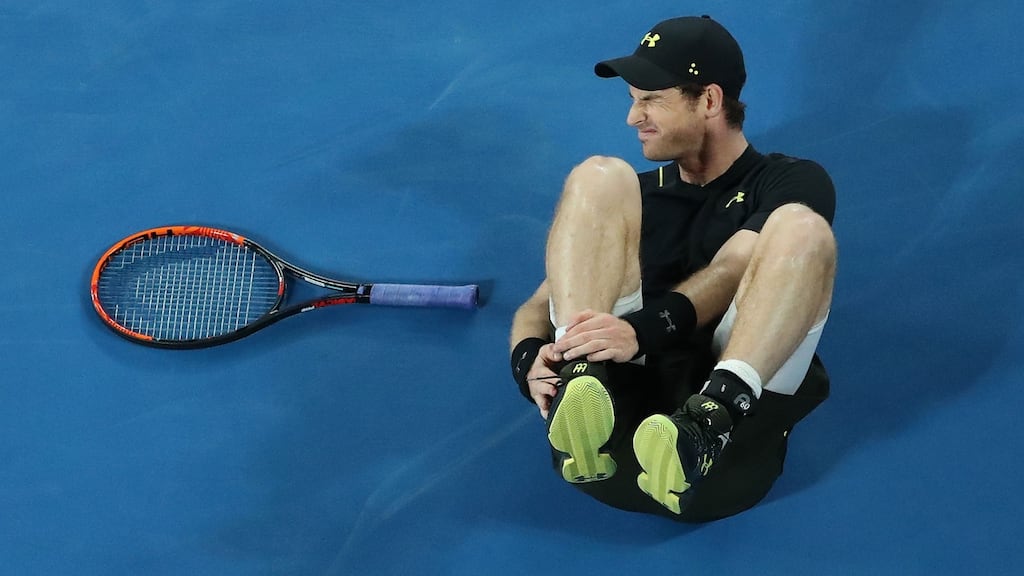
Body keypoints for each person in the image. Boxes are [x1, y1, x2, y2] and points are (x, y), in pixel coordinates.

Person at [509, 15, 837, 522]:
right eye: (633, 100)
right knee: (598, 175)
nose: (632, 117)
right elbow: (539, 303)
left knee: (801, 228)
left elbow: (734, 267)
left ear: (709, 101)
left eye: (650, 100)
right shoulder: (633, 197)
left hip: (722, 460)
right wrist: (527, 358)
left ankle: (708, 421)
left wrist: (639, 332)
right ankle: (584, 378)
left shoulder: (790, 180)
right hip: (611, 448)